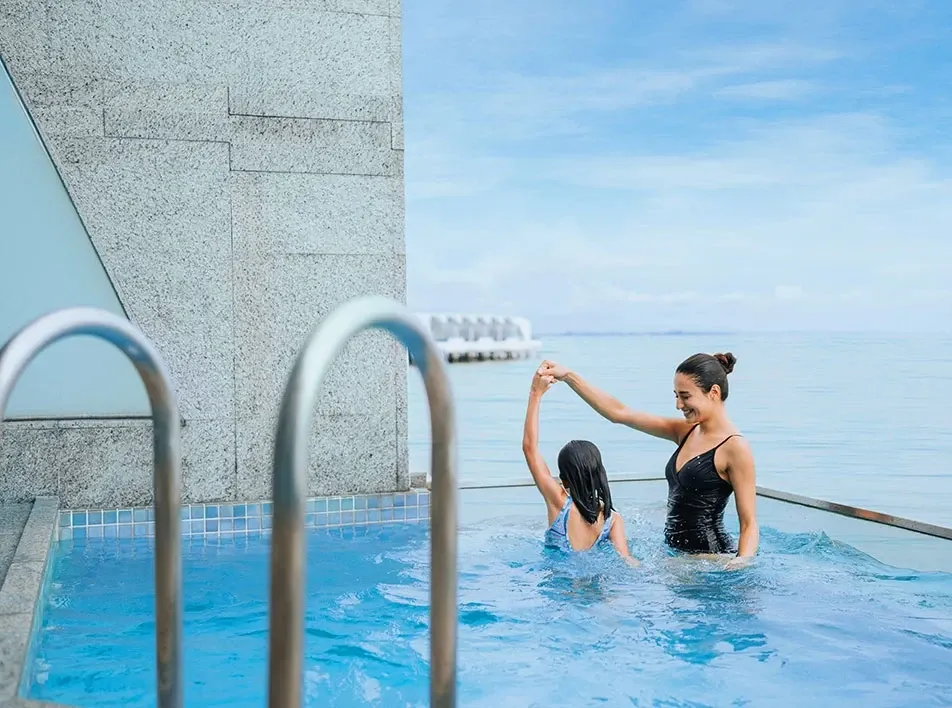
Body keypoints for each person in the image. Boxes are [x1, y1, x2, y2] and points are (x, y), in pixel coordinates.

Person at [538, 353, 758, 568]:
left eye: (685, 396)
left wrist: (740, 562)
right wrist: (568, 376)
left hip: (710, 561)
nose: (678, 405)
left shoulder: (735, 447)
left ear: (714, 392)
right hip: (675, 558)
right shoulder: (685, 431)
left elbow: (749, 524)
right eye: (676, 396)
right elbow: (619, 413)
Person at [522, 371, 639, 566]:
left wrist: (536, 393)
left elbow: (529, 448)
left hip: (561, 588)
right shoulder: (612, 518)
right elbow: (626, 559)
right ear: (600, 473)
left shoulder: (558, 503)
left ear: (564, 480)